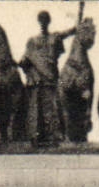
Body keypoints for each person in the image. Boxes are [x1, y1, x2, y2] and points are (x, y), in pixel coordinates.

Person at [19, 10, 74, 144]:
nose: (43, 22)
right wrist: (30, 72)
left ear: (48, 22)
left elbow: (70, 32)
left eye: (45, 20)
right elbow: (24, 60)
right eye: (41, 20)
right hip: (37, 81)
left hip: (51, 79)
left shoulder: (54, 37)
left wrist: (77, 24)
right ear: (39, 22)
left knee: (54, 108)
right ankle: (35, 136)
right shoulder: (32, 41)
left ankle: (55, 136)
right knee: (36, 109)